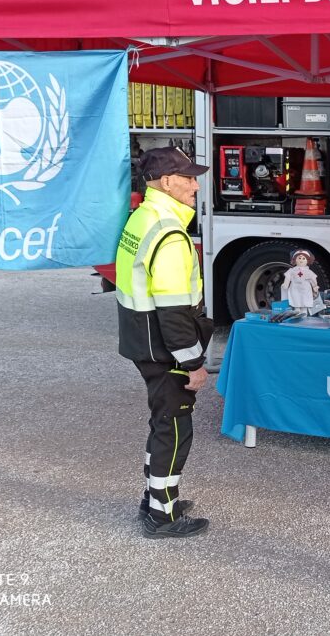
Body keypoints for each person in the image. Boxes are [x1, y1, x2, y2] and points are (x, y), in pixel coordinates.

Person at [115, 146, 214, 539]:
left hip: (142, 341)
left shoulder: (143, 218)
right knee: (173, 429)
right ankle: (162, 516)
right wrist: (193, 365)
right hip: (165, 349)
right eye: (189, 178)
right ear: (168, 181)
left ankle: (156, 496)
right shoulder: (170, 233)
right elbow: (174, 313)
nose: (195, 185)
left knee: (161, 421)